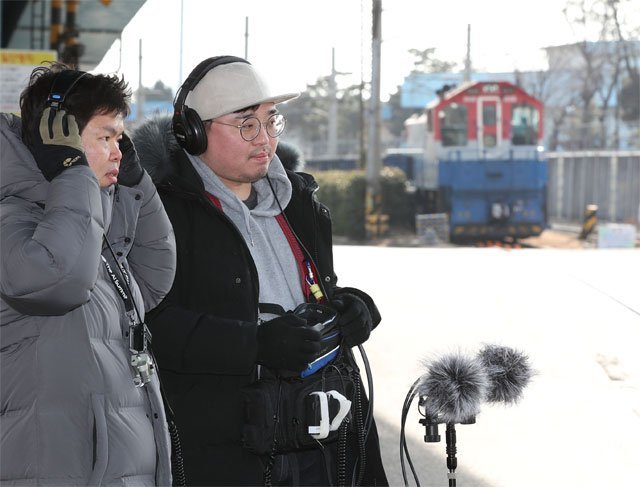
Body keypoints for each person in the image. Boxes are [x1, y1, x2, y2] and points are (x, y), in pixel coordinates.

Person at [132, 55, 388, 486]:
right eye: (246, 124)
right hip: (230, 453)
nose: (264, 139)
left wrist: (353, 308)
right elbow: (151, 325)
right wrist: (256, 344)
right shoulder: (161, 213)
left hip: (325, 439)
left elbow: (319, 290)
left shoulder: (299, 203)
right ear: (192, 132)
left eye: (271, 121)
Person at [0, 63, 177, 486]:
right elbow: (54, 282)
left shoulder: (86, 221)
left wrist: (136, 184)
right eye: (105, 137)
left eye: (120, 138)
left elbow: (152, 280)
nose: (118, 151)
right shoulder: (13, 217)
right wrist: (74, 171)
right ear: (55, 139)